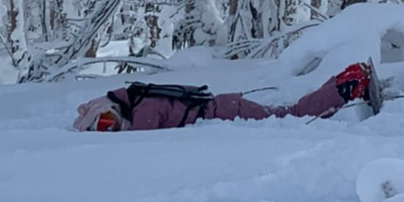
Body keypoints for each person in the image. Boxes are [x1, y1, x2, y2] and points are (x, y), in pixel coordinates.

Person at [73, 62, 375, 132]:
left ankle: (349, 84)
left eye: (106, 121)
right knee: (289, 113)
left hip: (226, 112)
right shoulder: (136, 99)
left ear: (112, 108)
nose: (109, 128)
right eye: (102, 127)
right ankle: (345, 81)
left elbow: (143, 141)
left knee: (293, 116)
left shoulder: (142, 113)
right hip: (226, 106)